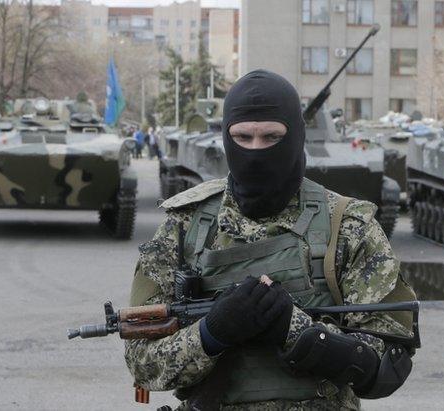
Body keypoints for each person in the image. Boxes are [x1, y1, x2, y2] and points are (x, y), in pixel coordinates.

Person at [124, 70, 416, 410]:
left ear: (296, 136)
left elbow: (385, 366)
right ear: (226, 138)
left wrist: (293, 328)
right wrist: (211, 333)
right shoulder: (186, 225)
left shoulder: (348, 225)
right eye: (243, 137)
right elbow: (142, 365)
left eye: (272, 137)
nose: (255, 151)